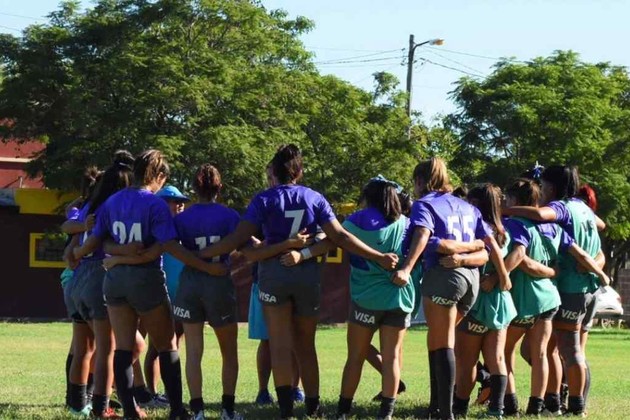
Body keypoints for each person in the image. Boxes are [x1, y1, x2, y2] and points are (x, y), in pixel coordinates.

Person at [197, 144, 398, 419]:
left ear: (275, 172)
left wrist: (200, 254)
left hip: (273, 276)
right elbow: (339, 237)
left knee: (279, 344)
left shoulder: (264, 199)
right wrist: (378, 257)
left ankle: (286, 410)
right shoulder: (314, 197)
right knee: (306, 344)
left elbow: (238, 240)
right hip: (306, 277)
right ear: (299, 171)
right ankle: (313, 407)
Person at [74, 149, 225, 420]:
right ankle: (177, 410)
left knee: (122, 347)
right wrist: (206, 267)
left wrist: (112, 254)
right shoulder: (155, 204)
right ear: (158, 175)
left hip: (115, 280)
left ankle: (130, 411)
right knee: (167, 344)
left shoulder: (112, 201)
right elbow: (168, 245)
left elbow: (99, 241)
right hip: (145, 280)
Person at [390, 157, 511, 420]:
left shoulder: (425, 204)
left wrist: (407, 268)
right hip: (471, 281)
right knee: (438, 340)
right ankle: (436, 406)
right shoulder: (466, 206)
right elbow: (490, 241)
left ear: (420, 181)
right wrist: (502, 274)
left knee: (443, 342)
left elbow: (422, 234)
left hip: (444, 276)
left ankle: (445, 412)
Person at [504, 166, 609, 416]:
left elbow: (541, 214)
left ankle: (573, 404)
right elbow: (601, 224)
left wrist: (504, 210)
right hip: (588, 288)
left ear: (550, 187)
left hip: (571, 286)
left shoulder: (561, 208)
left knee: (566, 349)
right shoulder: (583, 208)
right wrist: (599, 267)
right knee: (547, 349)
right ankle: (554, 400)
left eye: (543, 186)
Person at [334, 177, 418, 420]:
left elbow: (335, 238)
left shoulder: (355, 220)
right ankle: (386, 413)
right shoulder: (408, 223)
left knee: (355, 357)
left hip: (366, 299)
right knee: (392, 358)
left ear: (368, 196)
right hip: (399, 298)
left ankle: (343, 411)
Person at [170, 164, 242, 420]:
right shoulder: (229, 215)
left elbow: (172, 247)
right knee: (229, 351)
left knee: (193, 352)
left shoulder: (182, 218)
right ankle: (227, 410)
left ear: (194, 188)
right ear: (219, 187)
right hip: (218, 283)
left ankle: (198, 411)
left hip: (190, 282)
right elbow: (246, 245)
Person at [445, 184, 517, 419]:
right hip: (500, 304)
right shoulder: (504, 232)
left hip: (476, 302)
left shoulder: (477, 230)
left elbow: (486, 253)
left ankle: (460, 408)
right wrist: (501, 277)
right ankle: (497, 410)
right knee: (497, 358)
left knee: (467, 361)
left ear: (476, 204)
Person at [141, 185, 190, 406]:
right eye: (174, 201)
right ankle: (151, 393)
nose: (179, 205)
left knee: (173, 345)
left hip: (182, 297)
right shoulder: (153, 229)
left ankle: (169, 395)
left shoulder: (184, 229)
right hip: (157, 296)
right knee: (155, 346)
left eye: (182, 201)